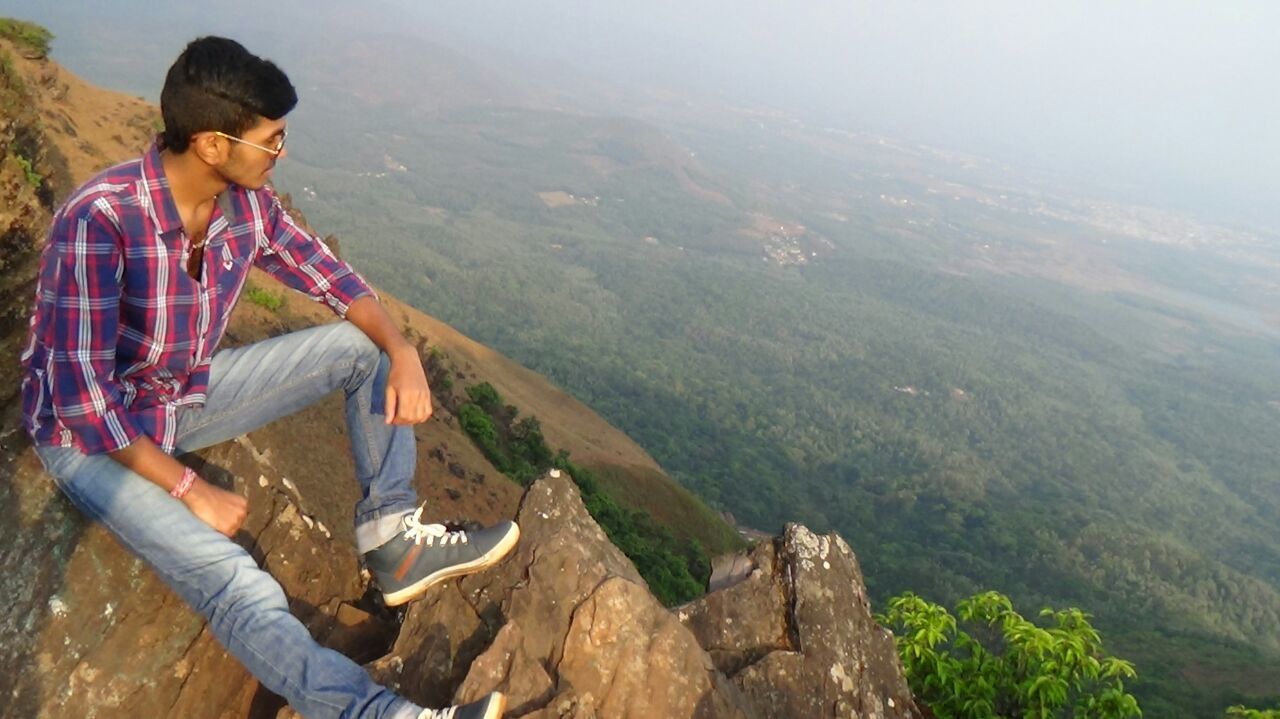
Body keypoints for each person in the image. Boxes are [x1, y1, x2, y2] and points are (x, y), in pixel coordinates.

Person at [20, 36, 516, 719]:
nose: (281, 152)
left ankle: (393, 540)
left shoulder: (244, 205)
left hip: (177, 397)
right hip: (87, 440)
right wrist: (188, 487)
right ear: (212, 145)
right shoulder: (99, 221)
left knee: (362, 347)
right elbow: (83, 403)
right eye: (271, 140)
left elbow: (331, 277)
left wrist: (402, 349)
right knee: (233, 581)